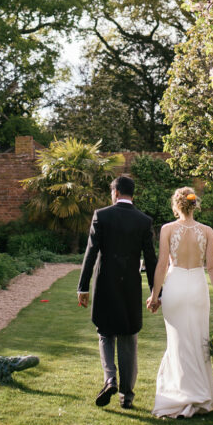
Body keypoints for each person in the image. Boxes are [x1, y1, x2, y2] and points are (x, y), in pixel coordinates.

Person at [148, 186, 213, 418]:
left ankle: (179, 395)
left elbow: (162, 265)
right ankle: (199, 396)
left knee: (177, 342)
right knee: (198, 341)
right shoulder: (207, 231)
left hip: (174, 287)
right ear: (196, 205)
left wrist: (155, 296)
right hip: (196, 288)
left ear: (176, 205)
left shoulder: (167, 229)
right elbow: (212, 268)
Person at [77, 174, 157, 409]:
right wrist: (155, 292)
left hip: (104, 284)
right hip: (130, 286)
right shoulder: (144, 221)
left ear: (115, 193)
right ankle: (126, 396)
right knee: (128, 337)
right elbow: (151, 259)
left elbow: (90, 253)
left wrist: (83, 287)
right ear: (133, 194)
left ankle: (110, 377)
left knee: (105, 332)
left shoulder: (102, 215)